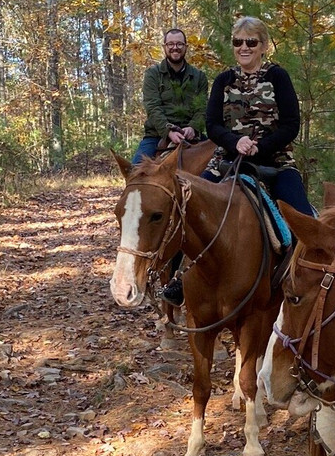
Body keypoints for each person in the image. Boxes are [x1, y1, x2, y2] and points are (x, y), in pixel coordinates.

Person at [160, 17, 312, 307]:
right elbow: (213, 124)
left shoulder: (278, 77)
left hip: (275, 161)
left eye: (251, 42)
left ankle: (305, 280)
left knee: (305, 219)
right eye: (238, 42)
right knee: (188, 207)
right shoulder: (224, 80)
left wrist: (261, 146)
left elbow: (292, 123)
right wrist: (235, 143)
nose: (244, 47)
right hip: (227, 160)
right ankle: (178, 278)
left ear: (263, 46)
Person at [132, 29, 208, 165]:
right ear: (164, 47)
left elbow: (202, 108)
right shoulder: (153, 74)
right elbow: (152, 107)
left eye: (179, 44)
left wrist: (193, 127)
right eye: (170, 44)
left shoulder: (199, 77)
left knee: (217, 168)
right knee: (135, 171)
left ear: (186, 47)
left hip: (191, 135)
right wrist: (168, 131)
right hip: (157, 135)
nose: (175, 48)